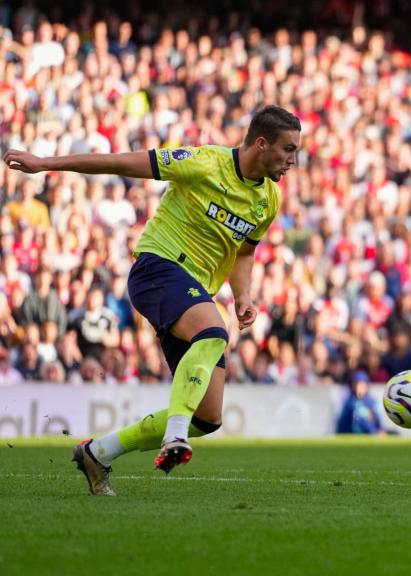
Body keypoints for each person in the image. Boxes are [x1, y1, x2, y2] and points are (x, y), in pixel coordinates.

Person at [4, 105, 301, 495]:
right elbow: (122, 163)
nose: (292, 161)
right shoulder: (204, 162)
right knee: (213, 332)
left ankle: (99, 452)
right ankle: (174, 436)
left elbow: (244, 252)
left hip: (194, 292)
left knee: (209, 416)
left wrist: (242, 293)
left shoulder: (269, 200)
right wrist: (47, 163)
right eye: (288, 150)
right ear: (261, 144)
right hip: (157, 268)